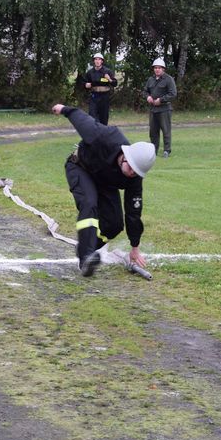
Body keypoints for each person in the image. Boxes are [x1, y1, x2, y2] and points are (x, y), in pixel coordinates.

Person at [51, 103, 156, 276]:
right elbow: (83, 120)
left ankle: (86, 249)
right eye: (131, 168)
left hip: (105, 182)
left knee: (114, 224)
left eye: (136, 172)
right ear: (126, 156)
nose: (132, 174)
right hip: (81, 167)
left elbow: (133, 213)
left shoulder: (134, 178)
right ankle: (86, 259)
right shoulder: (106, 137)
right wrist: (64, 109)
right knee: (89, 203)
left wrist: (135, 247)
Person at [144, 58, 177, 158]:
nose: (157, 70)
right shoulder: (151, 79)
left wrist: (161, 100)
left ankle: (167, 150)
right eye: (155, 68)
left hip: (164, 109)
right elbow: (145, 91)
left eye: (159, 68)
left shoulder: (168, 79)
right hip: (153, 109)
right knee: (153, 131)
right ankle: (154, 150)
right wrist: (148, 97)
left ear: (163, 69)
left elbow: (173, 94)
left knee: (166, 130)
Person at [84, 53, 118, 125]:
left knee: (104, 117)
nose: (97, 61)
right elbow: (85, 83)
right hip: (94, 96)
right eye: (96, 59)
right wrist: (86, 85)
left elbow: (115, 83)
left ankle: (103, 132)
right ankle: (95, 131)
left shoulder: (107, 71)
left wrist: (109, 79)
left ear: (102, 61)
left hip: (104, 97)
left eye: (99, 59)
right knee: (92, 115)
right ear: (94, 61)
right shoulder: (90, 72)